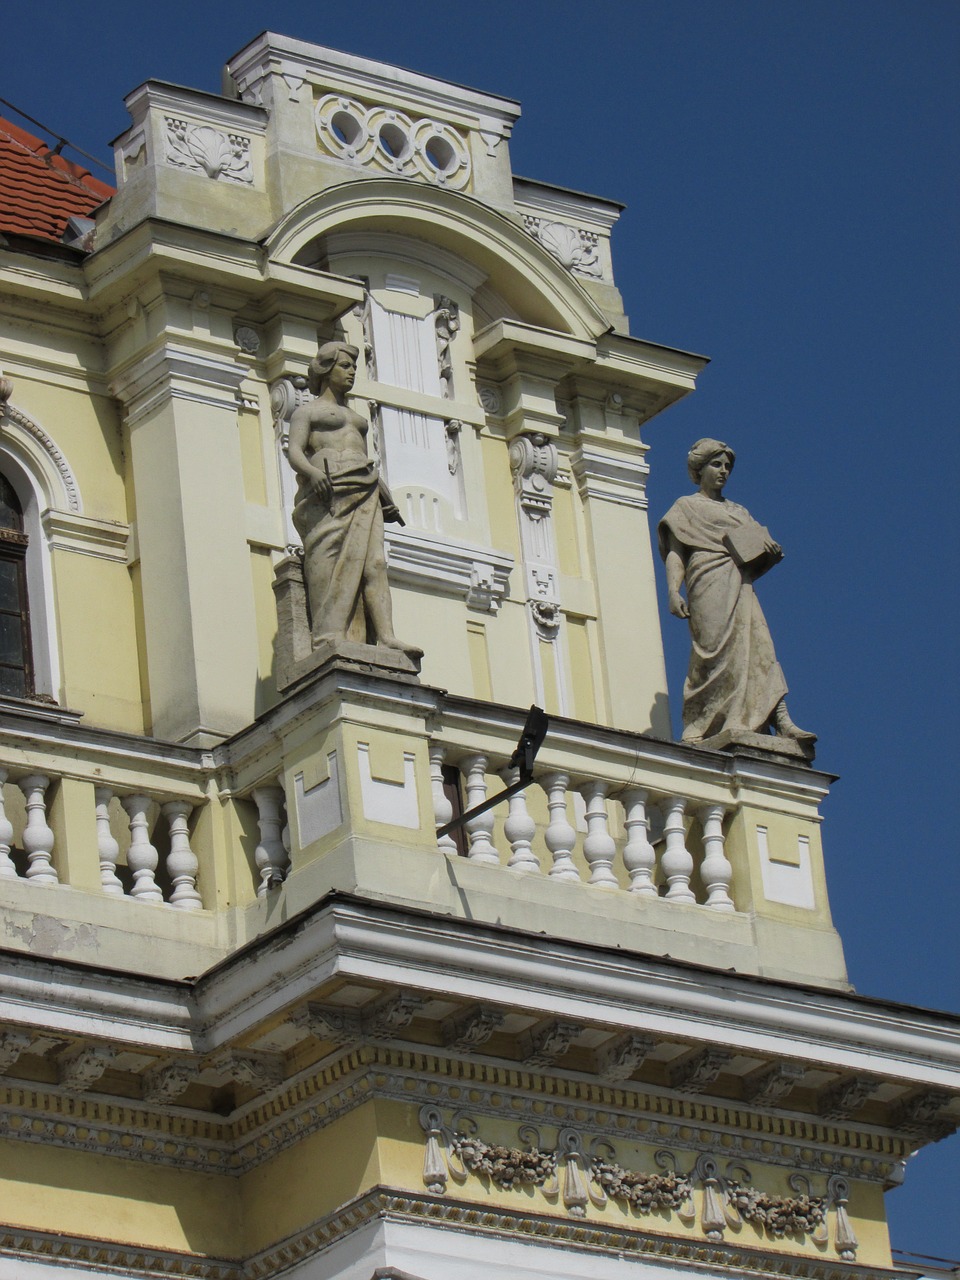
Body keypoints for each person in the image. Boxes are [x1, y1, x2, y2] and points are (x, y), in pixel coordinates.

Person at [657, 438, 814, 746]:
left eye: (728, 466)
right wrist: (673, 591)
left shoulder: (739, 511)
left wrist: (768, 549)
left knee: (758, 646)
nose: (724, 471)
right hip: (706, 579)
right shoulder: (685, 507)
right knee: (711, 651)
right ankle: (699, 720)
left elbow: (755, 543)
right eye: (717, 464)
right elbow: (676, 553)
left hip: (740, 583)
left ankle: (780, 718)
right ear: (699, 469)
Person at [287, 341, 421, 659]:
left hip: (365, 488)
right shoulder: (307, 411)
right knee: (327, 557)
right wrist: (312, 472)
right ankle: (326, 633)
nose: (351, 372)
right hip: (328, 490)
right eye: (344, 366)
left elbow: (365, 459)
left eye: (353, 367)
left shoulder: (356, 419)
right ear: (325, 368)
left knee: (375, 562)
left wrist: (384, 493)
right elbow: (293, 450)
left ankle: (386, 636)